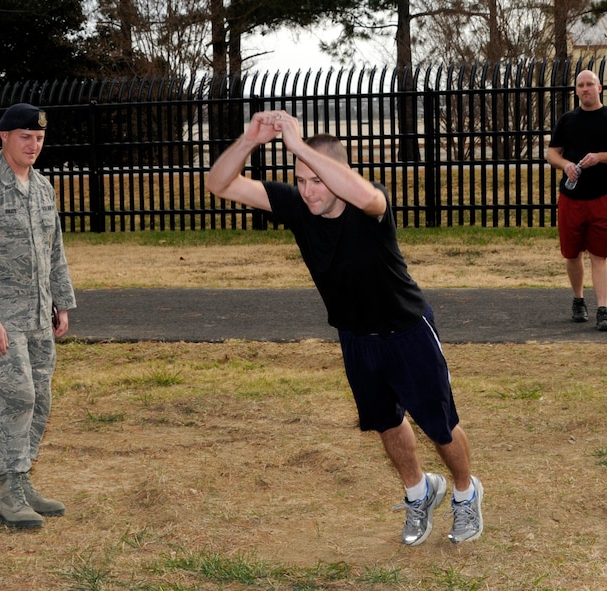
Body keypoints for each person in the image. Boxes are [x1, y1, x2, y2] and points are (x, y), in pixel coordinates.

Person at [206, 110, 483, 546]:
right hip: (356, 338)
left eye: (316, 179)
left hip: (406, 330)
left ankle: (466, 494)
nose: (307, 190)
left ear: (338, 174)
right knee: (387, 425)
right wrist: (247, 141)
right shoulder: (299, 206)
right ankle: (419, 492)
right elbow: (219, 184)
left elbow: (369, 196)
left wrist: (298, 147)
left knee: (439, 425)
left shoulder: (366, 205)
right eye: (301, 180)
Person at [0, 103, 76, 530]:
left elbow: (55, 249)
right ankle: (8, 492)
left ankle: (23, 482)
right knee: (16, 396)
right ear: (3, 136)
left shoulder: (43, 187)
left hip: (39, 315)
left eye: (39, 138)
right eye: (25, 136)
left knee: (40, 397)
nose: (33, 144)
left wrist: (62, 302)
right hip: (3, 319)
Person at [546, 69, 607, 331]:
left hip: (604, 196)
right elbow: (552, 153)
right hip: (571, 198)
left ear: (599, 88)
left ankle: (603, 309)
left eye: (590, 84)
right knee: (572, 254)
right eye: (581, 85)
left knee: (600, 255)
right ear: (576, 91)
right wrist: (564, 165)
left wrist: (599, 157)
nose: (585, 89)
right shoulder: (567, 120)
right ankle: (578, 300)